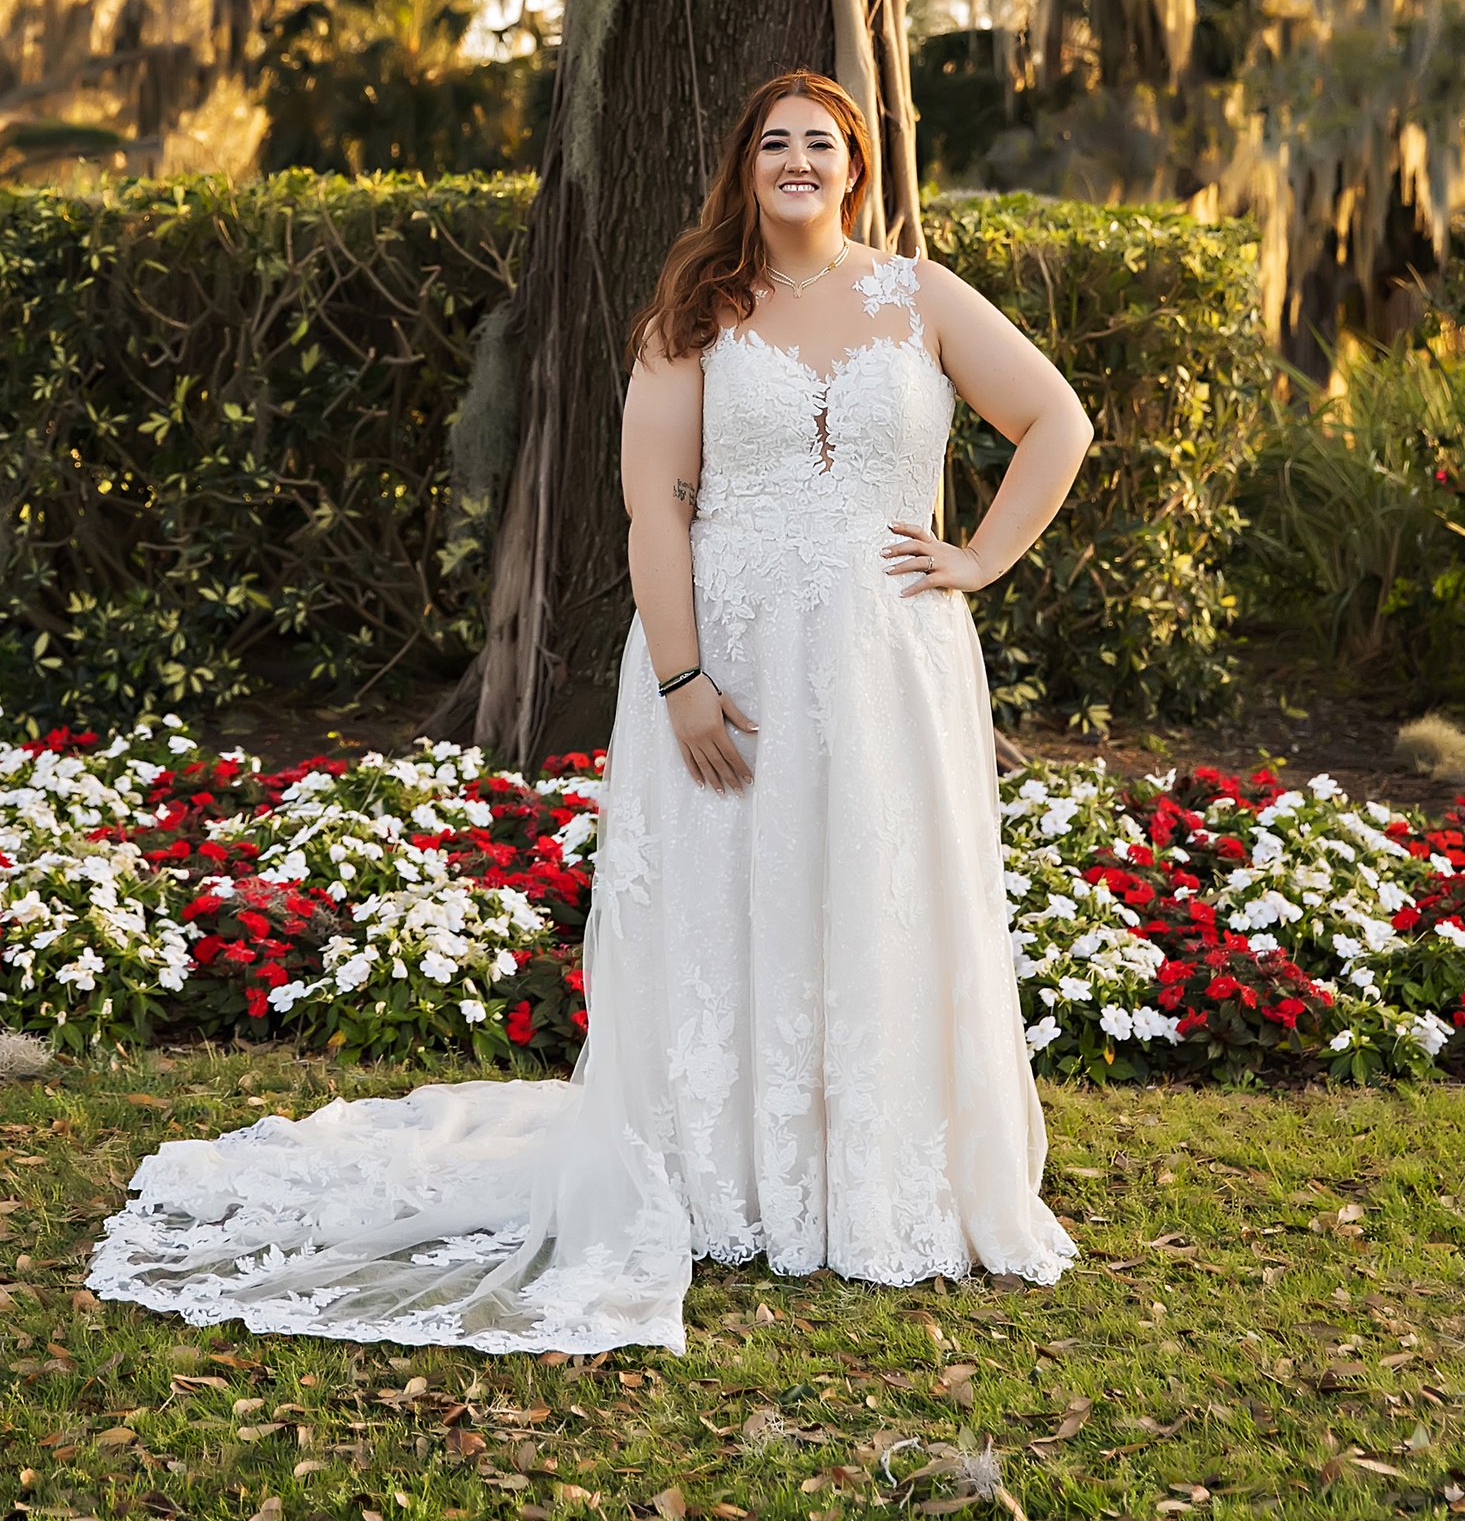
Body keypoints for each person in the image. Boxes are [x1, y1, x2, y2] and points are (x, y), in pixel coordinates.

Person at [88, 68, 1090, 1353]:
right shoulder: (694, 314)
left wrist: (981, 556)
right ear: (743, 167)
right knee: (742, 895)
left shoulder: (920, 296)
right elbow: (653, 506)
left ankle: (882, 1178)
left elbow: (1054, 418)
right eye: (772, 141)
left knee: (879, 891)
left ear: (855, 166)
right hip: (732, 654)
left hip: (891, 666)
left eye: (821, 144)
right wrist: (678, 678)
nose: (797, 160)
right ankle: (735, 1175)